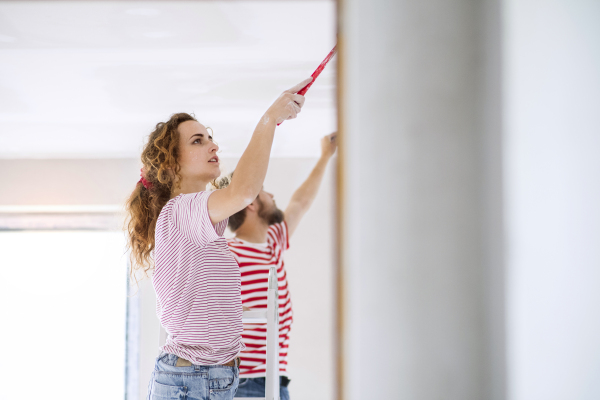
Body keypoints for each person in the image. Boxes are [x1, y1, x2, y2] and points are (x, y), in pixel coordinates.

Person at [125, 77, 312, 400]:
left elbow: (242, 186)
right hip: (190, 379)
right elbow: (243, 190)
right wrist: (268, 119)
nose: (213, 145)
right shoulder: (180, 211)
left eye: (210, 138)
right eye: (198, 141)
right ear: (171, 163)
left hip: (212, 377)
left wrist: (274, 121)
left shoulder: (203, 215)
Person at [226, 133, 338, 400]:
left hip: (275, 382)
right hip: (243, 385)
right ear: (251, 203)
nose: (273, 195)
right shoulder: (228, 254)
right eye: (264, 190)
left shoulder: (273, 242)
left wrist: (325, 156)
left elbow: (300, 203)